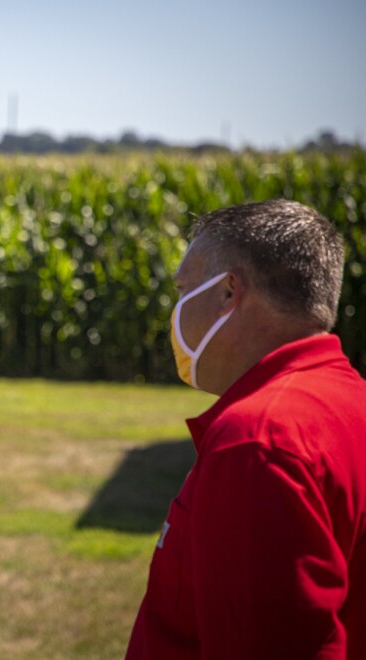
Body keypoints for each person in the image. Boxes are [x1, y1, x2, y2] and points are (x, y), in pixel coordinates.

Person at [126, 199, 366, 658]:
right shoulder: (350, 400)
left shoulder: (256, 442)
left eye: (182, 290)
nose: (175, 311)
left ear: (228, 293)